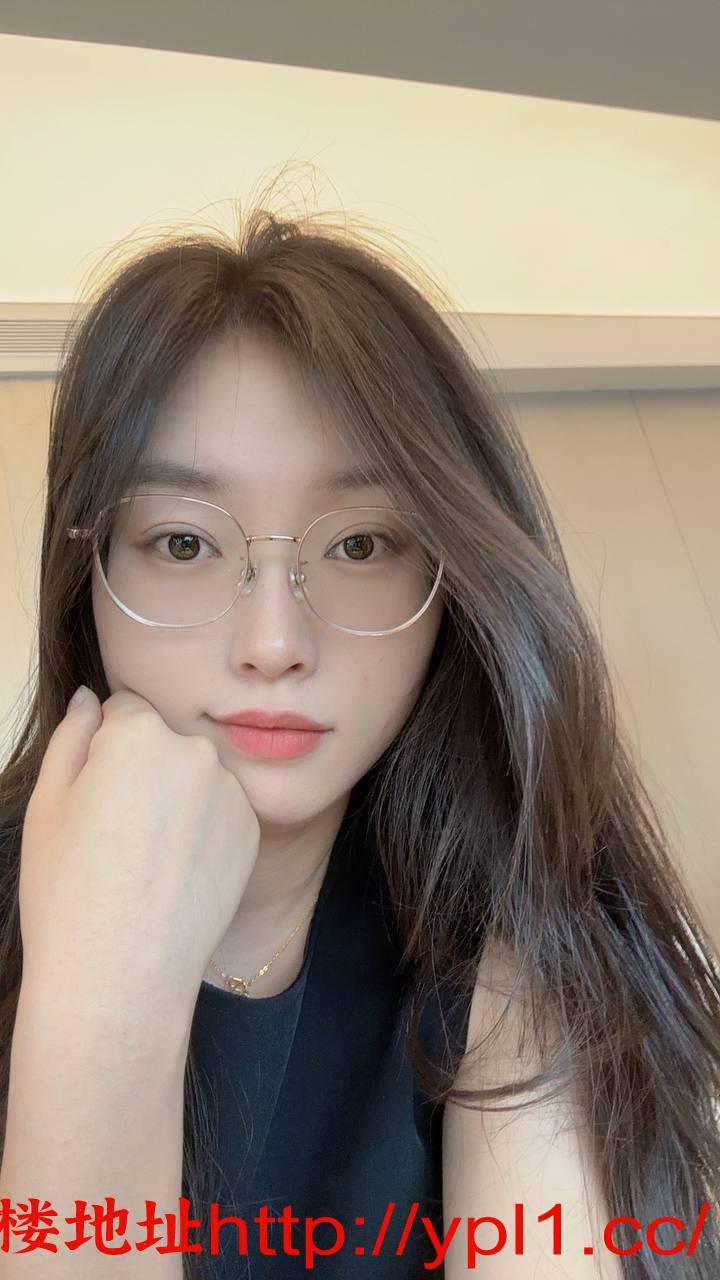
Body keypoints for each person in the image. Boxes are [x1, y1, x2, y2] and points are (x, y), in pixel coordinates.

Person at [0, 172, 718, 1280]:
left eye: (362, 544)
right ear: (85, 574)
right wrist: (99, 1003)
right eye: (184, 542)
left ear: (454, 579)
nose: (274, 641)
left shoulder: (521, 947)